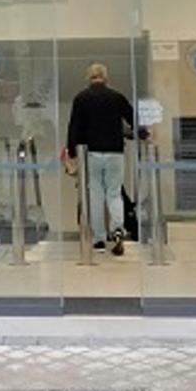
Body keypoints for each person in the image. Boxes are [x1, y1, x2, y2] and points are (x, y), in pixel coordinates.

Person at [65, 63, 134, 257]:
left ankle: (99, 240)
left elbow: (74, 127)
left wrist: (72, 151)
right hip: (115, 152)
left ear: (89, 77)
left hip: (92, 153)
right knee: (114, 193)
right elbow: (133, 119)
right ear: (106, 77)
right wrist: (143, 134)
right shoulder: (117, 97)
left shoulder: (81, 98)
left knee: (95, 195)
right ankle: (118, 229)